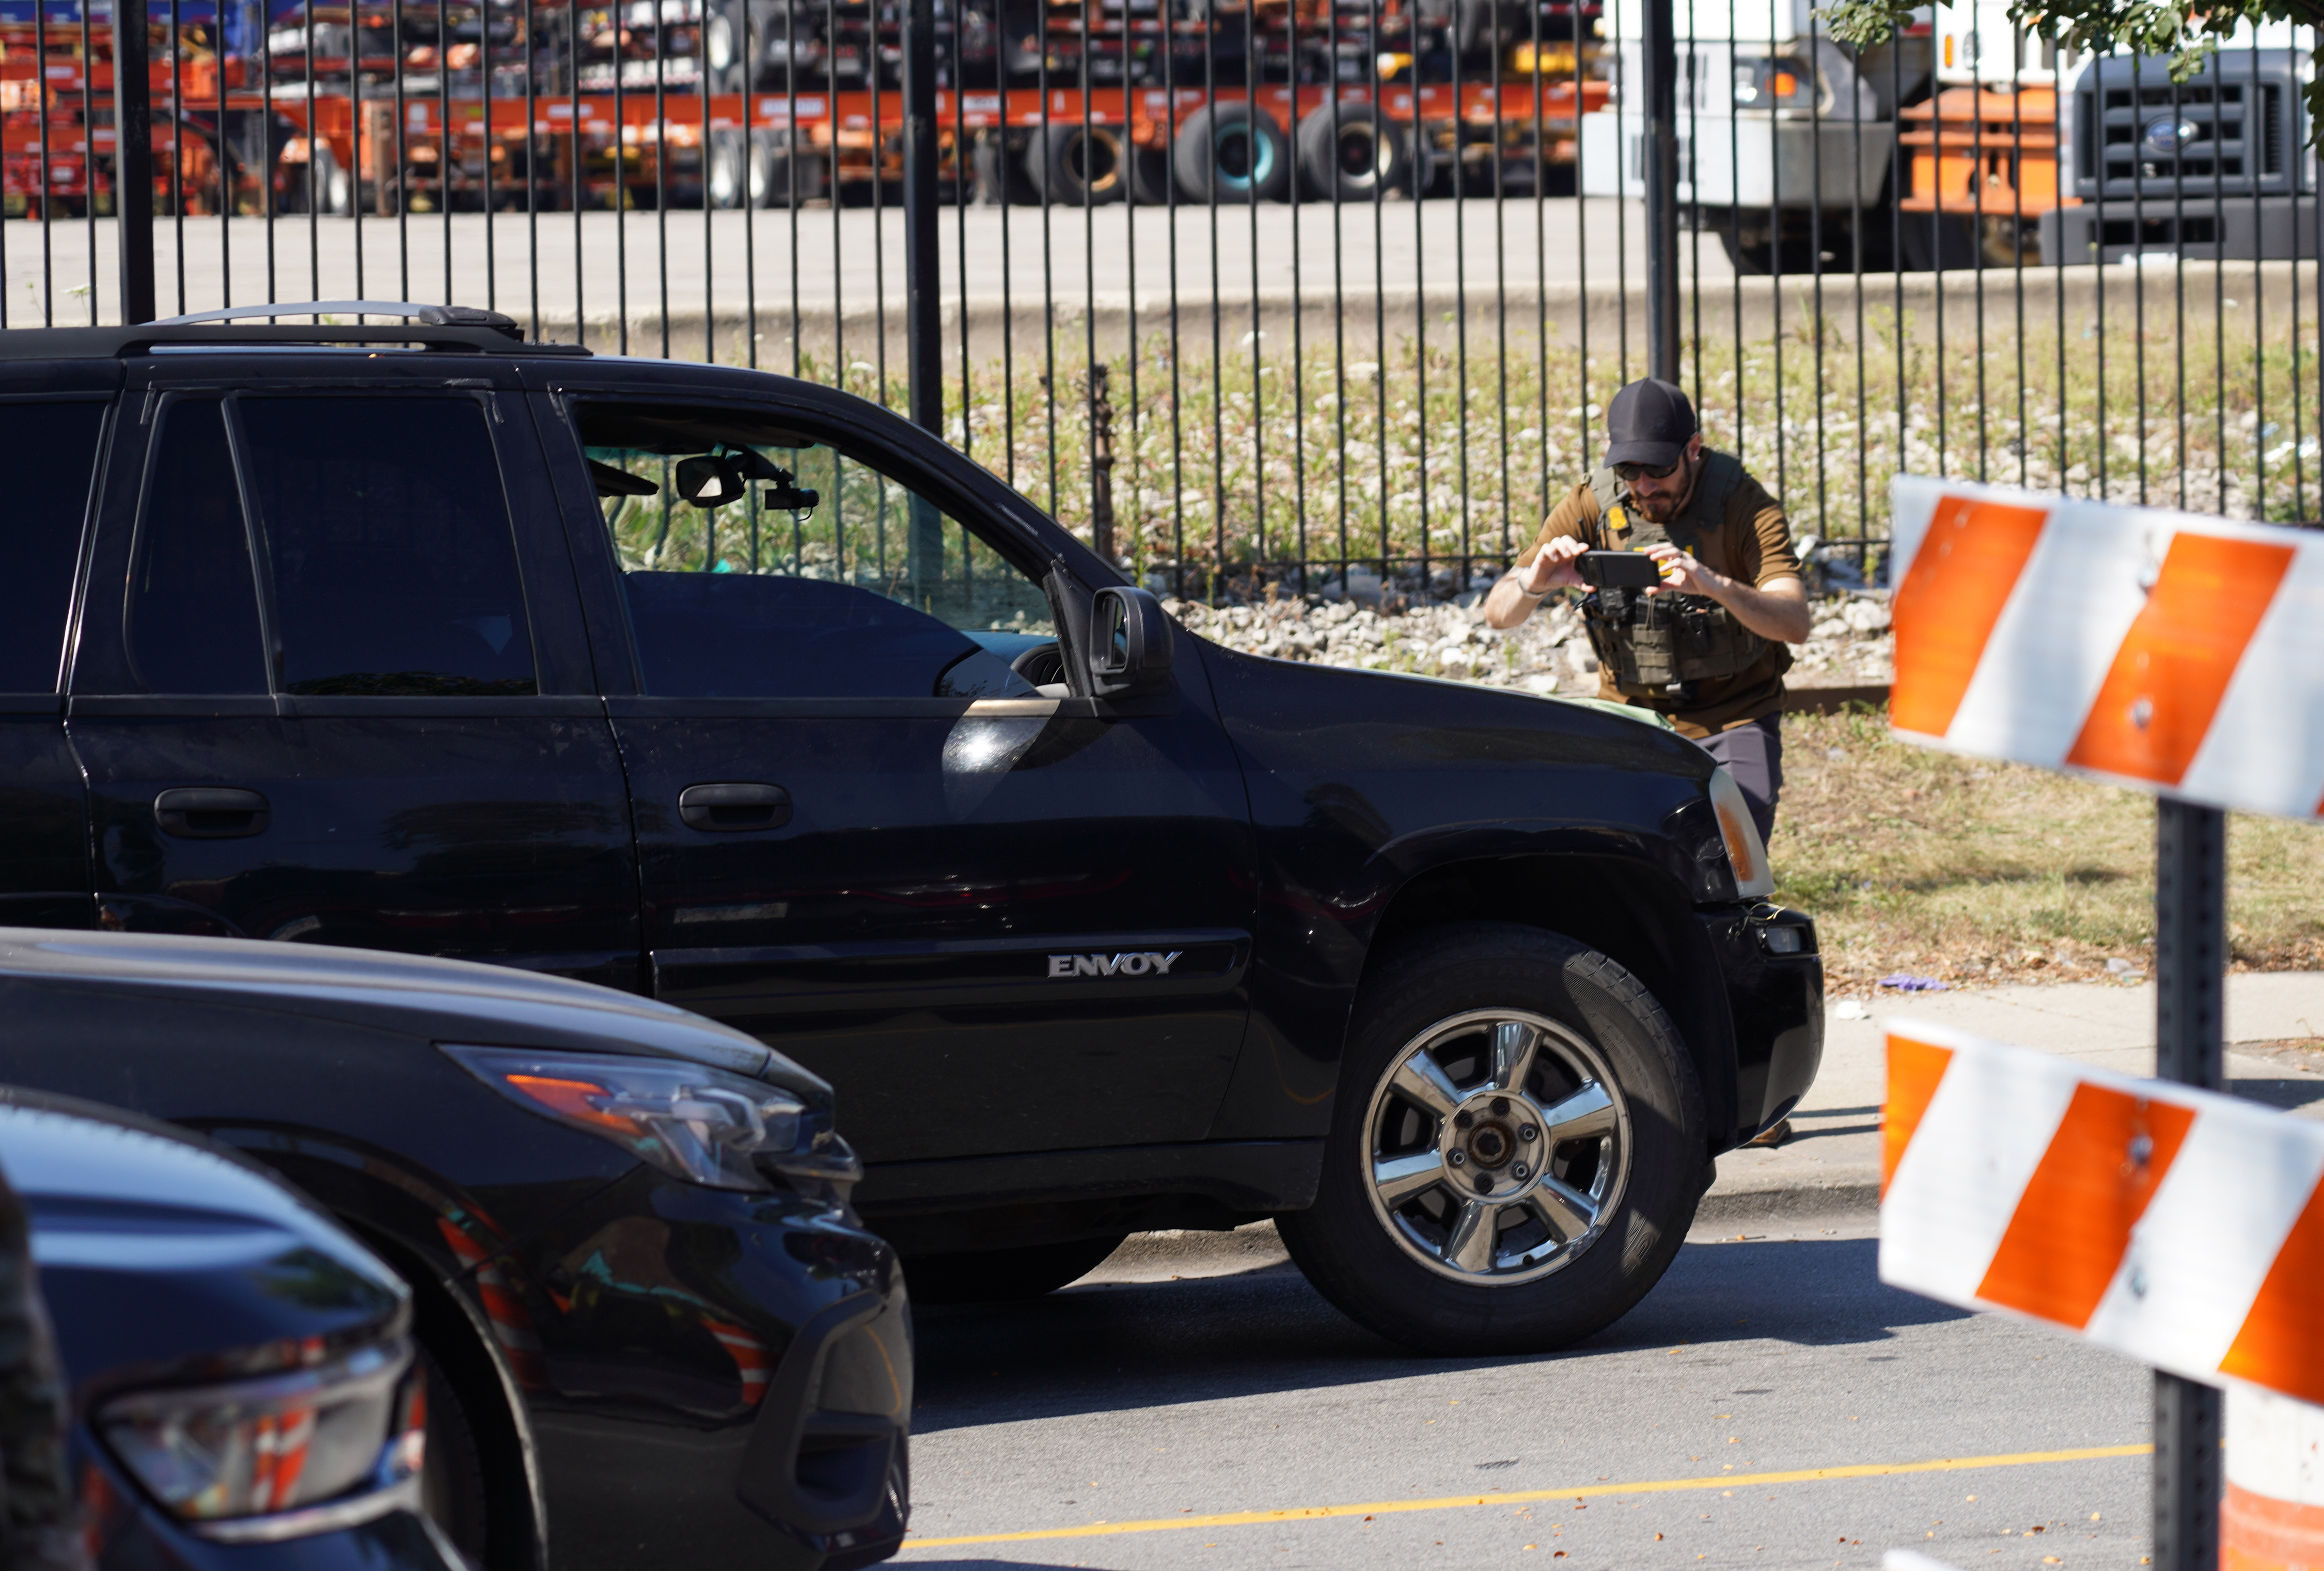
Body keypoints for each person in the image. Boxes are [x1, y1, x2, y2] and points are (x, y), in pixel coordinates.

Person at [1484, 377, 1810, 845]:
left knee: (1734, 850)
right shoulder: (1594, 501)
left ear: (1693, 449)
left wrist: (1713, 585)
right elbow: (1498, 614)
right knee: (1610, 854)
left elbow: (1795, 623)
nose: (1644, 485)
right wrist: (1534, 583)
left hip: (1734, 713)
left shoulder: (1744, 506)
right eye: (1629, 470)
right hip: (1630, 715)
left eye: (1658, 469)